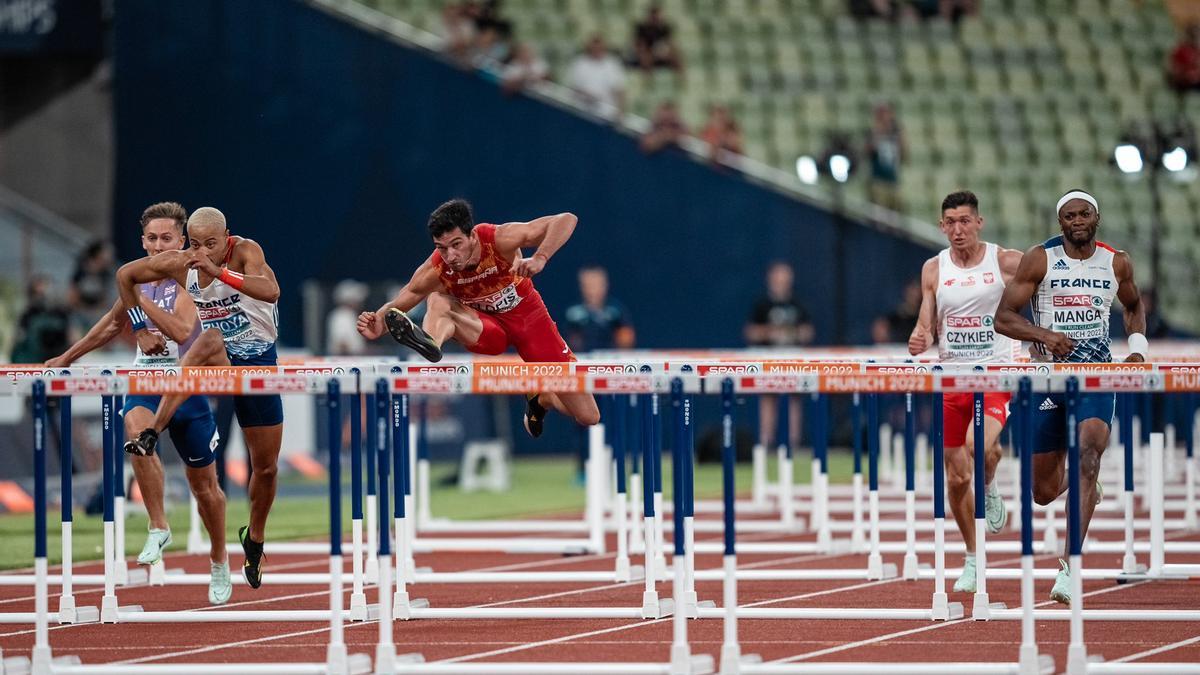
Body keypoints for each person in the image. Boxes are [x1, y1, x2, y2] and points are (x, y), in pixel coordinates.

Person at [46, 202, 231, 605]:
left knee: (206, 490)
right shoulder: (137, 278)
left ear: (181, 241)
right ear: (143, 241)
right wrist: (67, 358)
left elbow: (183, 328)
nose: (159, 245)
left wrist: (139, 304)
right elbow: (111, 325)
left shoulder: (192, 274)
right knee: (135, 429)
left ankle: (218, 559)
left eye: (167, 238)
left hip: (188, 385)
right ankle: (158, 525)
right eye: (152, 238)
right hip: (146, 380)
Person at [115, 206, 283, 589]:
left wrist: (219, 271)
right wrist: (140, 330)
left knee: (266, 469)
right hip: (219, 356)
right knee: (208, 339)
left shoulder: (245, 252)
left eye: (212, 244)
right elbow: (125, 276)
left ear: (226, 237)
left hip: (257, 360)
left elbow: (270, 291)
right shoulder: (181, 263)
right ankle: (152, 432)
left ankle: (254, 539)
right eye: (196, 244)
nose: (203, 251)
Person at [995, 189, 1147, 604]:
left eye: (1084, 214)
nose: (1077, 221)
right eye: (1069, 216)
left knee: (1088, 457)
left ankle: (1068, 567)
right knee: (1042, 492)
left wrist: (1137, 347)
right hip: (1049, 378)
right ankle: (1086, 488)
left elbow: (1133, 305)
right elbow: (1003, 318)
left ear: (1096, 218)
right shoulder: (1039, 258)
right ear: (1059, 221)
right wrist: (1044, 335)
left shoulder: (1117, 261)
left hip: (1097, 374)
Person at [356, 198, 601, 436]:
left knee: (589, 416)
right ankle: (430, 342)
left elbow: (566, 219)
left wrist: (540, 257)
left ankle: (543, 397)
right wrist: (378, 324)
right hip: (486, 329)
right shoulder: (437, 268)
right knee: (438, 299)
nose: (450, 255)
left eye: (456, 244)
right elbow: (404, 298)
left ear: (472, 235)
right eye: (441, 248)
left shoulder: (499, 239)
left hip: (530, 321)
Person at [907, 190, 1022, 593]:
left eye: (964, 221)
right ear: (942, 226)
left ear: (979, 222)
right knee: (956, 479)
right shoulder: (933, 269)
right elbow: (926, 322)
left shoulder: (1004, 261)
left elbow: (1041, 289)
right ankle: (973, 557)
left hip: (995, 375)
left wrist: (1039, 338)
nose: (958, 230)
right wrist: (920, 336)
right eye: (950, 223)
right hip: (950, 379)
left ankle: (989, 487)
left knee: (980, 448)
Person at [745, 261, 814, 456]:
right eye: (778, 278)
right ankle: (766, 442)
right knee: (768, 399)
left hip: (793, 358)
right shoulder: (762, 304)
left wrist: (791, 333)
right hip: (768, 358)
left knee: (794, 398)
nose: (781, 282)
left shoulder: (797, 304)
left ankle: (794, 443)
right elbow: (751, 332)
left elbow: (808, 332)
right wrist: (771, 332)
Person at [563, 266, 635, 353]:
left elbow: (627, 338)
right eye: (588, 285)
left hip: (611, 358)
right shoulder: (574, 313)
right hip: (582, 358)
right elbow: (568, 342)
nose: (592, 290)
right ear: (581, 287)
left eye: (596, 285)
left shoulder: (616, 310)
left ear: (605, 285)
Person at [566, 35, 627, 120]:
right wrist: (586, 95)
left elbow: (620, 91)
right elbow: (572, 89)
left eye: (599, 49)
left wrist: (620, 113)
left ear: (604, 49)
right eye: (594, 49)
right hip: (581, 111)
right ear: (589, 48)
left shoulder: (612, 65)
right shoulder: (579, 63)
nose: (596, 51)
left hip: (606, 114)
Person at [866, 102, 905, 212]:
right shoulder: (873, 132)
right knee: (879, 214)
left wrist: (900, 136)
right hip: (878, 181)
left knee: (895, 214)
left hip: (893, 180)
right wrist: (879, 132)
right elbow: (867, 151)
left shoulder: (896, 133)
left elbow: (904, 155)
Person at [631, 5, 682, 74]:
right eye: (654, 17)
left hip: (660, 52)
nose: (657, 19)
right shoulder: (641, 28)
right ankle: (647, 80)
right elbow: (639, 44)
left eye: (658, 16)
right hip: (646, 52)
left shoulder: (664, 28)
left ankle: (681, 81)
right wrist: (646, 52)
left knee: (676, 57)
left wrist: (667, 51)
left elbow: (669, 43)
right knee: (645, 57)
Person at [326, 280, 369, 356]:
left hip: (353, 359)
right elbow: (341, 344)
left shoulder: (350, 315)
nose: (360, 303)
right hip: (345, 361)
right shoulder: (341, 316)